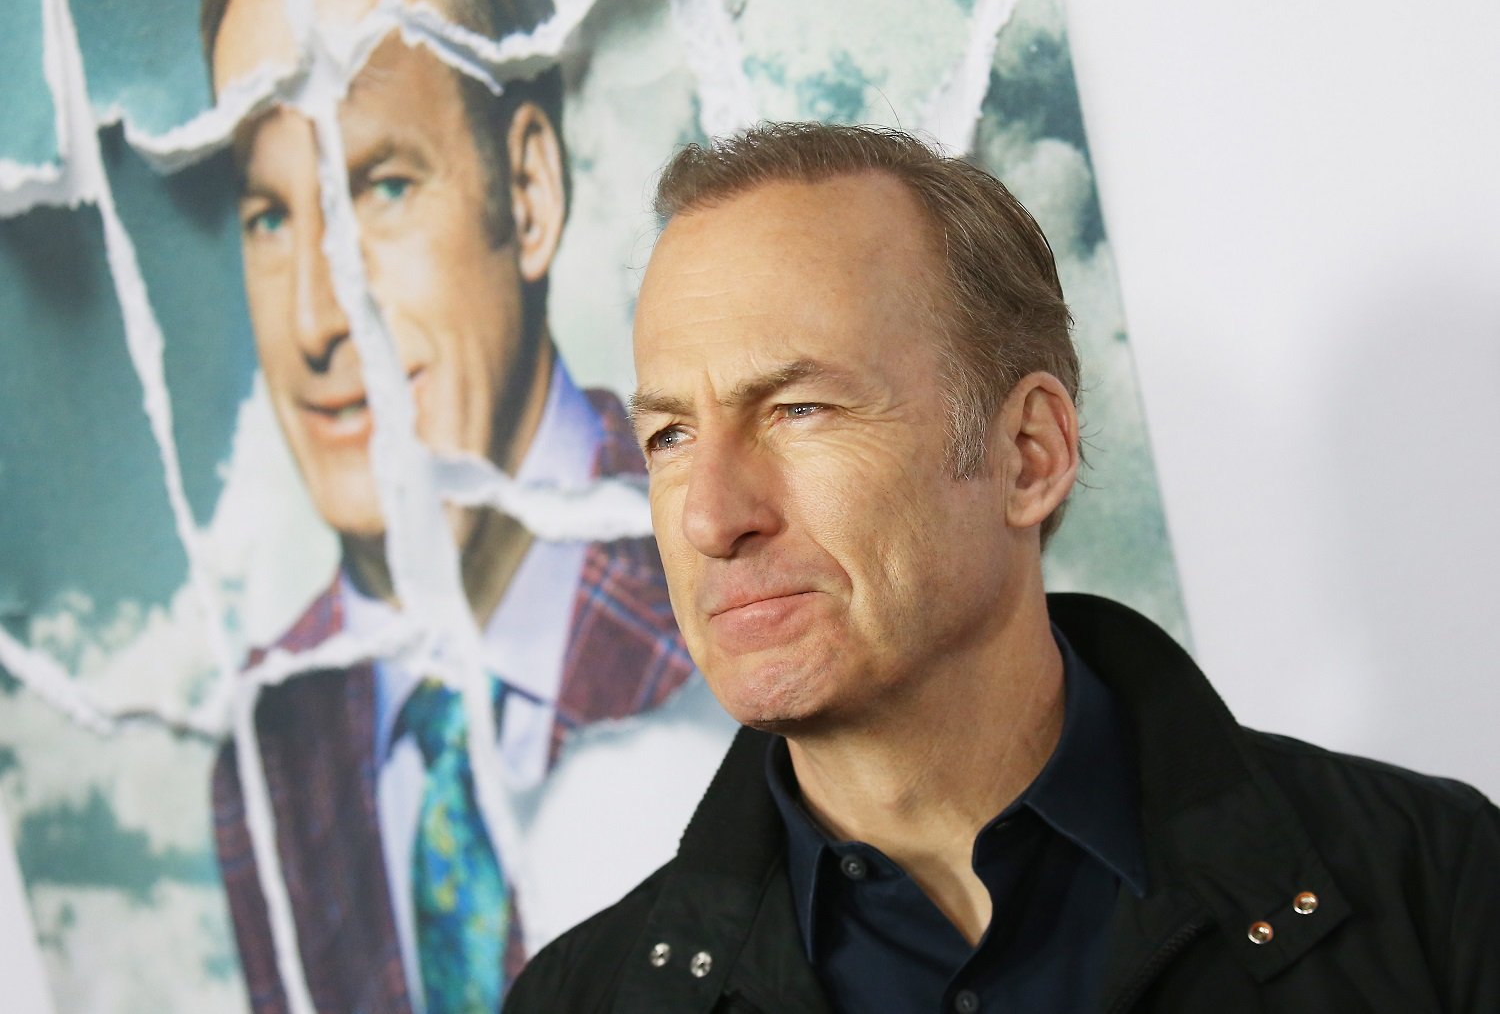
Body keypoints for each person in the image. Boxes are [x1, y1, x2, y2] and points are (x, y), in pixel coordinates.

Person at [507, 122, 1500, 1012]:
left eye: (800, 410)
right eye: (671, 436)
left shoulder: (1435, 885)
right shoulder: (576, 1001)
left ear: (1028, 454)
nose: (712, 517)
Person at [200, 0, 697, 1010]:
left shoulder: (744, 587)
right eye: (269, 214)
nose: (315, 318)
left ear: (527, 194)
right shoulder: (268, 748)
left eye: (382, 186)